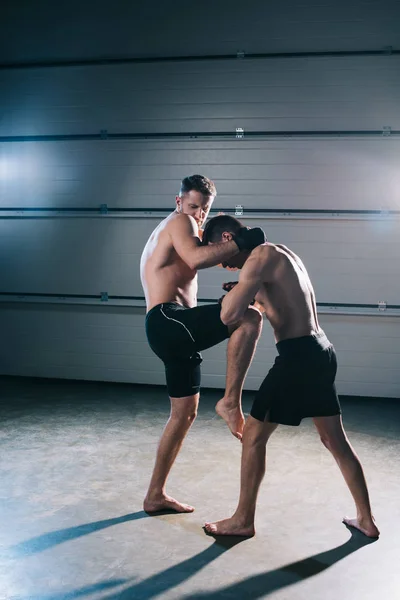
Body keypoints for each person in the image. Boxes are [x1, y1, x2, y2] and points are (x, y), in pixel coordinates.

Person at [201, 214, 380, 539]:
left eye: (217, 254)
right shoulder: (280, 253)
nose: (221, 264)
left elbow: (228, 315)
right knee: (334, 440)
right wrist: (248, 290)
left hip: (298, 357)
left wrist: (237, 293)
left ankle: (243, 520)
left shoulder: (258, 257)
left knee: (253, 437)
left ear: (227, 238)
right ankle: (366, 520)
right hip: (321, 351)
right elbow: (282, 302)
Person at [140, 175, 266, 513]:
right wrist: (243, 241)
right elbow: (196, 259)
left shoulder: (181, 228)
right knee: (249, 318)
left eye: (204, 210)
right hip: (168, 320)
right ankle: (229, 403)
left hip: (174, 329)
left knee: (183, 415)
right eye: (193, 206)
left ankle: (155, 495)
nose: (198, 215)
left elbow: (198, 259)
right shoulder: (179, 222)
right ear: (179, 201)